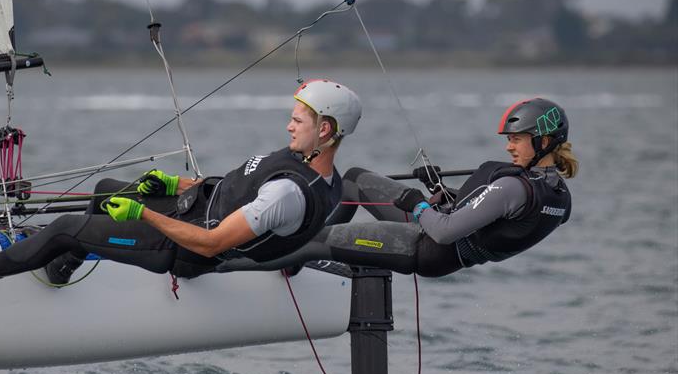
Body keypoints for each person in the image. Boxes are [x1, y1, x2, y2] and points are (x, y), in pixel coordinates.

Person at [0, 79, 362, 293]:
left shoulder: (287, 193)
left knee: (64, 227)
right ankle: (62, 264)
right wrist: (176, 182)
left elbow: (211, 244)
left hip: (182, 250)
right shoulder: (318, 173)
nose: (288, 125)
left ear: (326, 130)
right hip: (194, 207)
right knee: (107, 189)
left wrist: (143, 214)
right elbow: (236, 188)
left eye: (298, 120)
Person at [216, 98, 577, 277]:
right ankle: (313, 246)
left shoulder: (513, 189)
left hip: (428, 248)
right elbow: (493, 221)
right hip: (432, 227)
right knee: (354, 179)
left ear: (544, 142)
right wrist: (445, 196)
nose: (509, 146)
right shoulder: (558, 196)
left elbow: (447, 232)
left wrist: (418, 203)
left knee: (312, 241)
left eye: (517, 139)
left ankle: (227, 264)